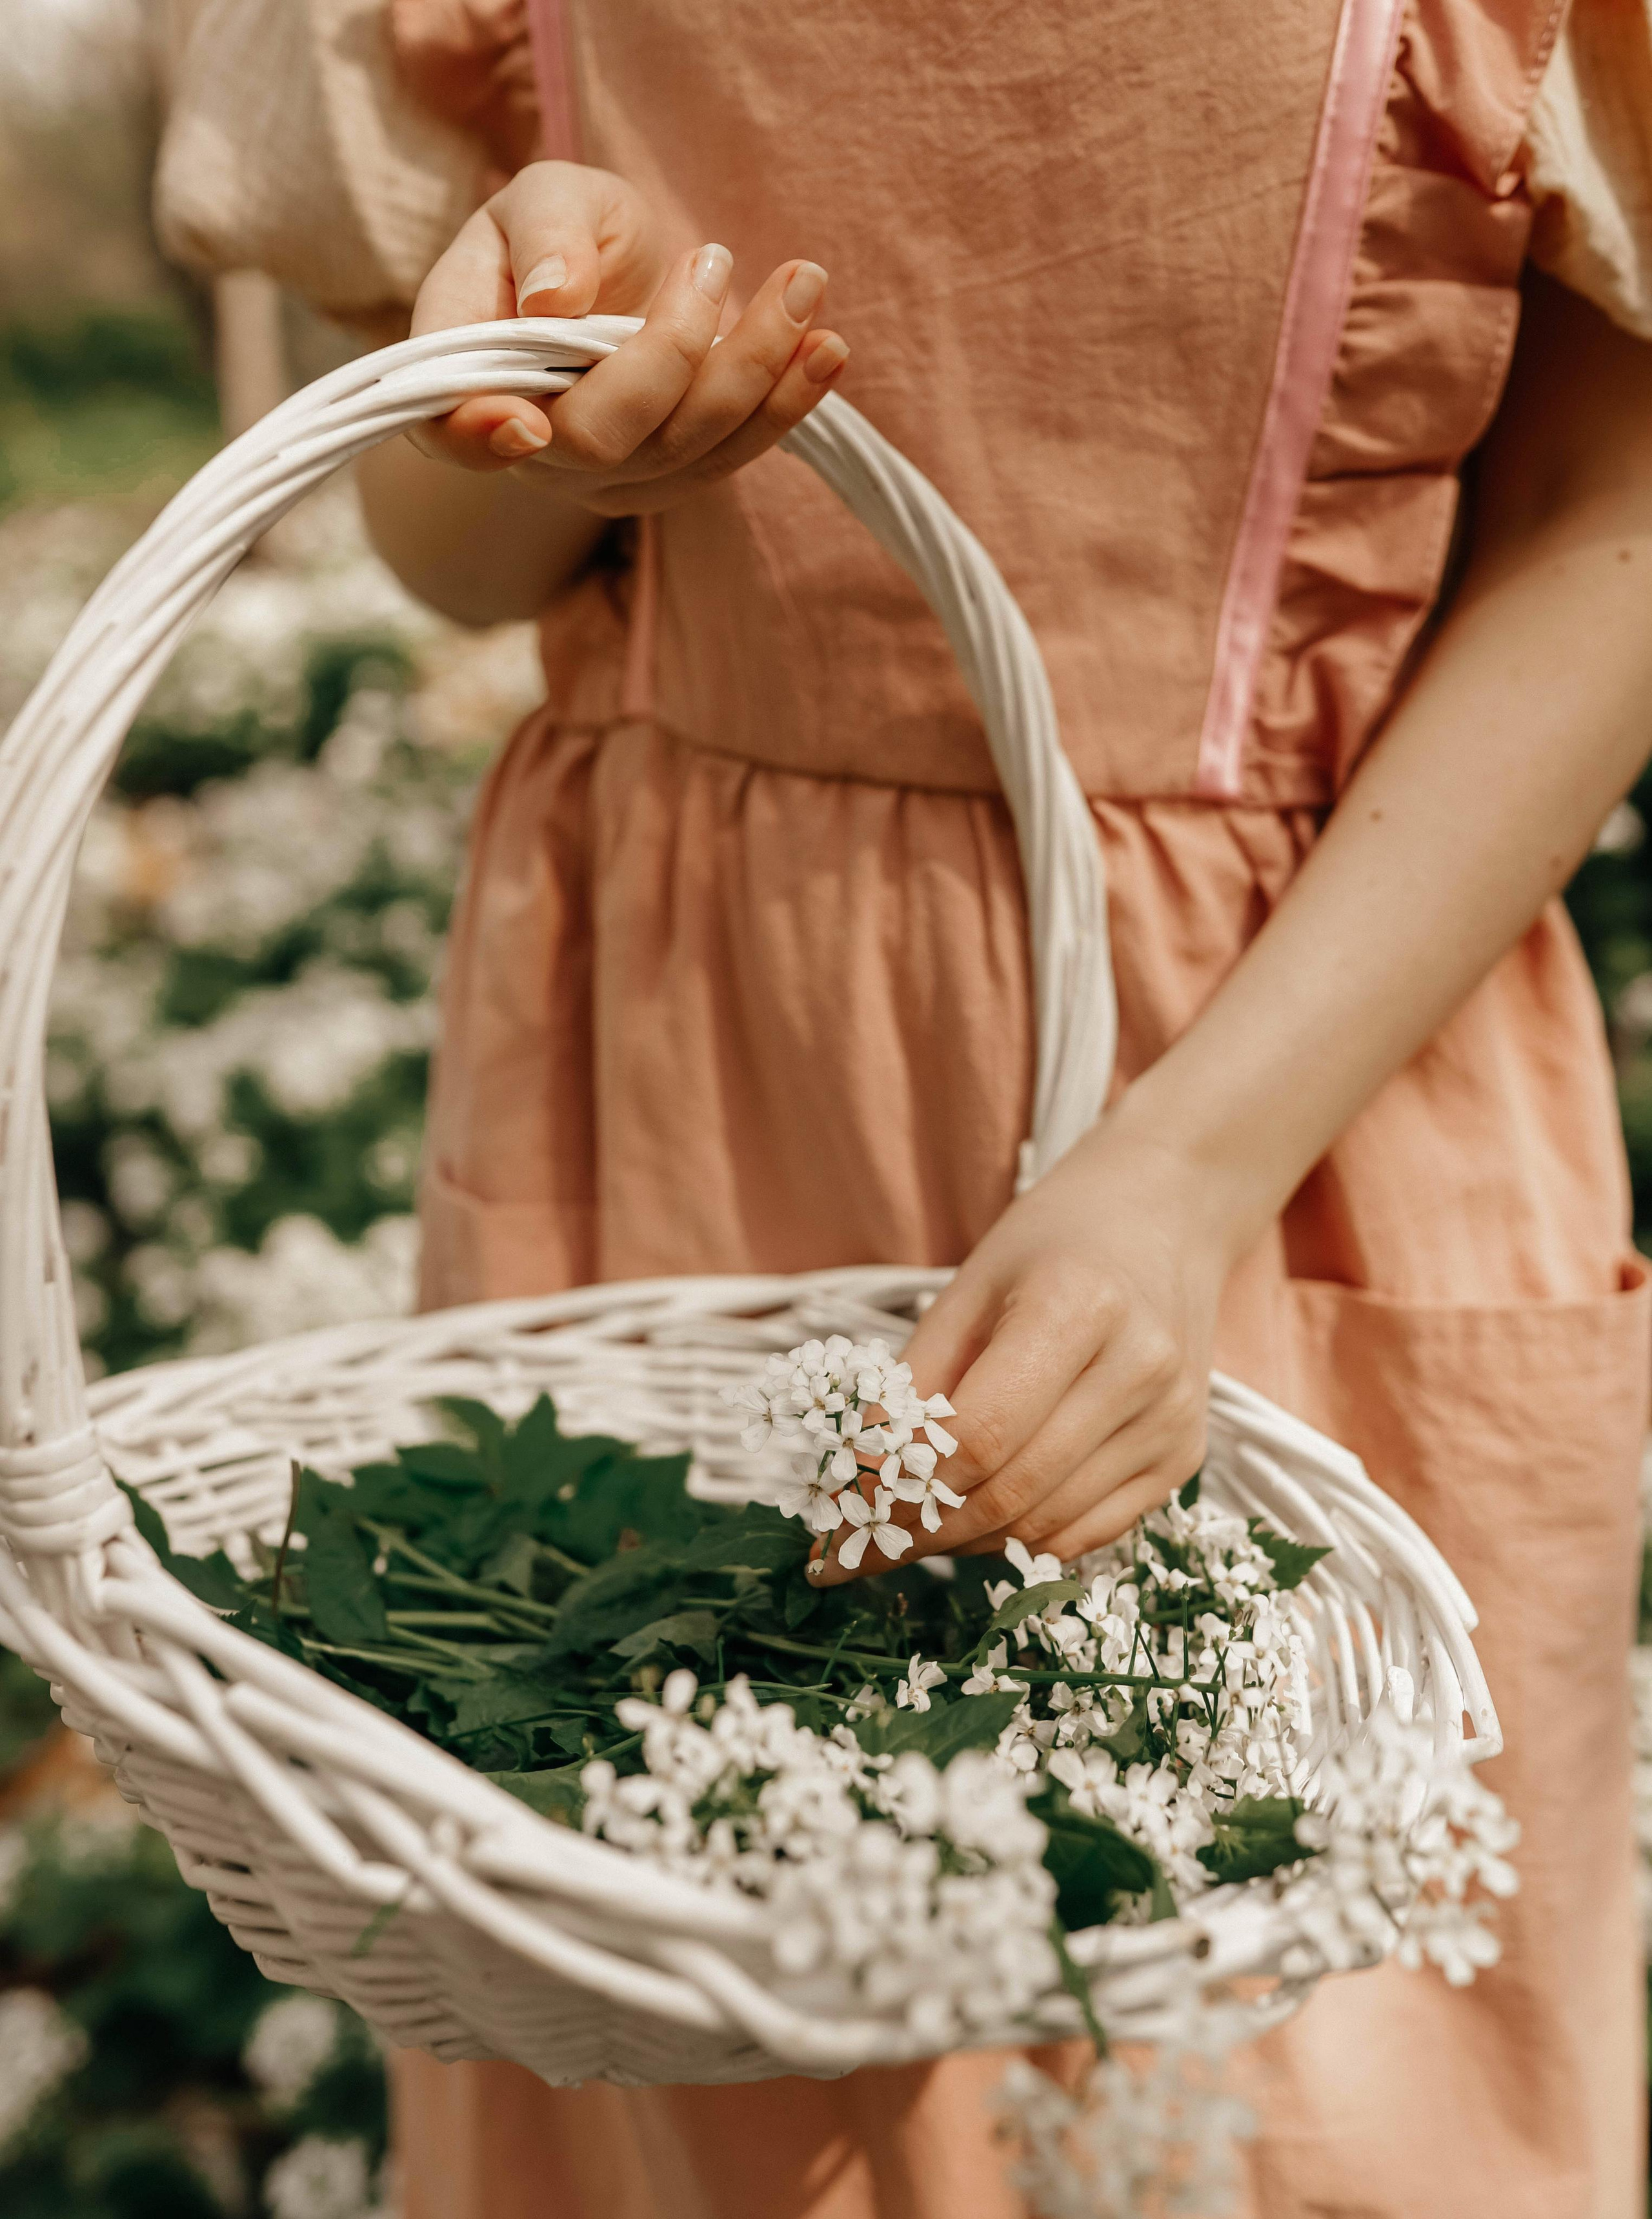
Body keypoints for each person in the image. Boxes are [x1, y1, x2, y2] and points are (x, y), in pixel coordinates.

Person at [160, 1, 1652, 2212]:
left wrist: (1187, 1171)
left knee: (1303, 2095)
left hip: (1302, 1067)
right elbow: (435, 540)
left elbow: (1615, 525)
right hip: (687, 1085)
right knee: (677, 2048)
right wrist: (539, 432)